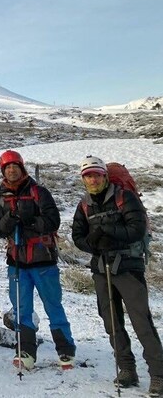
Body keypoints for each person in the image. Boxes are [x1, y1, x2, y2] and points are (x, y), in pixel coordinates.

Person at [72, 156, 163, 395]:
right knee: (111, 322)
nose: (92, 179)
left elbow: (137, 229)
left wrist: (107, 232)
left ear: (105, 176)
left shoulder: (125, 197)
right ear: (84, 179)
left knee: (141, 322)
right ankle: (126, 369)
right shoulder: (84, 204)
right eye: (88, 176)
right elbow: (78, 236)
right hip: (102, 269)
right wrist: (92, 242)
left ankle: (158, 375)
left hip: (128, 268)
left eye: (96, 175)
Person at [0, 150, 75, 370]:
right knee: (21, 307)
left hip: (43, 260)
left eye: (14, 166)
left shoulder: (39, 192)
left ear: (22, 167)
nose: (11, 170)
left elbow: (53, 221)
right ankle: (26, 350)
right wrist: (10, 218)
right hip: (16, 262)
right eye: (7, 168)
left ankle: (65, 350)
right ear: (3, 171)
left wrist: (31, 220)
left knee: (53, 305)